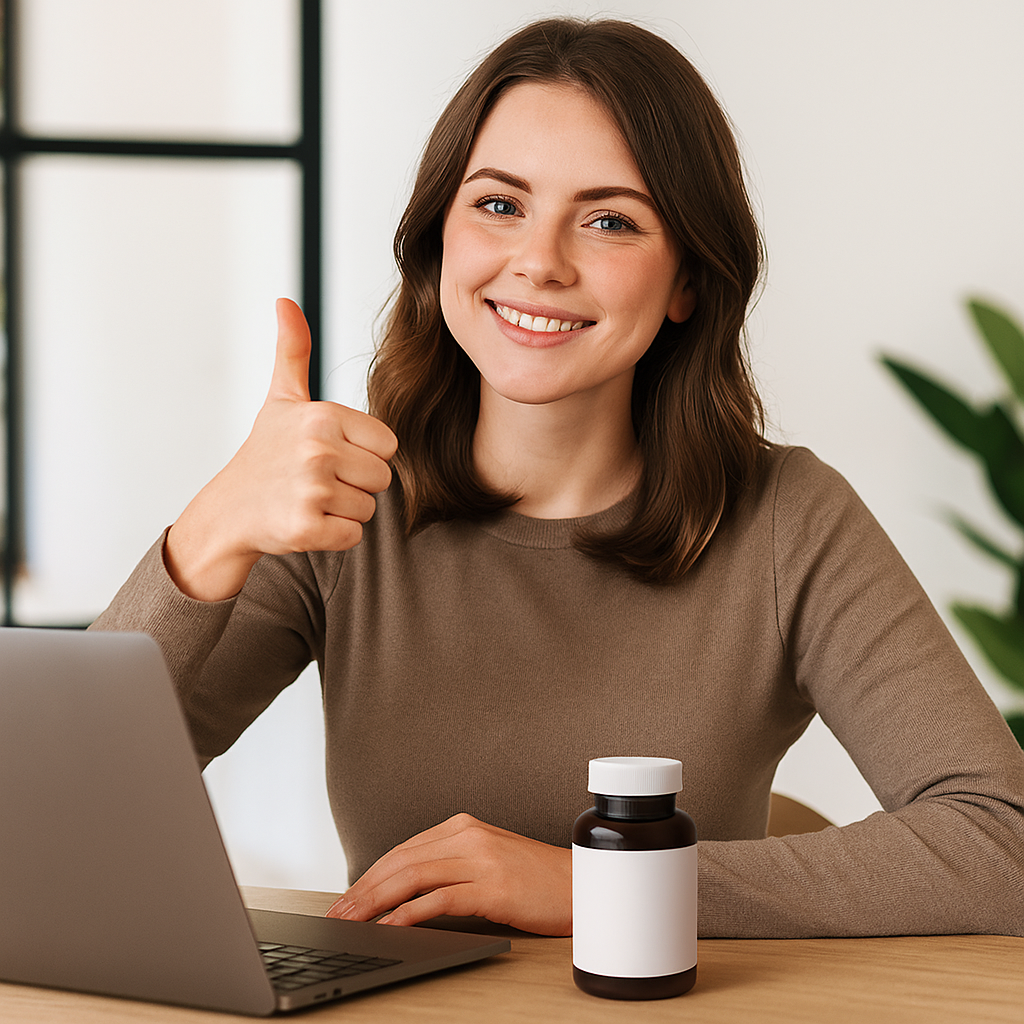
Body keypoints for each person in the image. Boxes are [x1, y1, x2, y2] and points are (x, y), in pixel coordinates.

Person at [92, 18, 1024, 939]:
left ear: (686, 284)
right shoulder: (349, 507)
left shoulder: (788, 520)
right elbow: (46, 803)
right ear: (439, 243)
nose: (538, 261)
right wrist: (209, 534)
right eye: (499, 204)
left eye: (610, 220)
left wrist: (598, 887)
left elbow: (1004, 844)